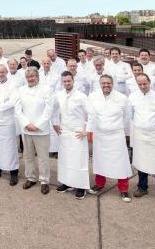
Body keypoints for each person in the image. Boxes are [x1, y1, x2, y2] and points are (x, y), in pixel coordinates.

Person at [87, 75, 133, 202]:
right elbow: (90, 115)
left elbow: (127, 117)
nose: (106, 85)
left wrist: (124, 133)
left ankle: (123, 189)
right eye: (103, 83)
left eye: (108, 83)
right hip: (100, 135)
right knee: (99, 161)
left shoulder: (122, 98)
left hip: (116, 135)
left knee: (121, 162)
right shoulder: (93, 97)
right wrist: (89, 132)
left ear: (112, 84)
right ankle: (99, 184)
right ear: (99, 84)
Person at [129, 73, 155, 206]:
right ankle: (142, 187)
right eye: (140, 84)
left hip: (154, 135)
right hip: (140, 135)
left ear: (149, 82)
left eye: (145, 83)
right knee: (142, 161)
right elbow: (131, 114)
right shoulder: (132, 97)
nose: (142, 86)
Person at [52, 71, 90, 199]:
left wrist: (87, 130)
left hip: (78, 133)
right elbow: (54, 110)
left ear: (73, 81)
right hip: (64, 132)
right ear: (62, 82)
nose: (67, 83)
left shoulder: (81, 96)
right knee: (66, 160)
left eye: (69, 81)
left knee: (78, 161)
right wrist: (55, 124)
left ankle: (81, 186)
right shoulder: (59, 95)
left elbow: (91, 114)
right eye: (64, 81)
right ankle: (67, 183)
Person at [15, 67, 53, 194]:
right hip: (26, 130)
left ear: (38, 77)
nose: (30, 79)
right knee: (28, 156)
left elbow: (49, 110)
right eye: (28, 77)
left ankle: (44, 181)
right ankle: (30, 178)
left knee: (43, 157)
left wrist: (37, 125)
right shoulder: (21, 90)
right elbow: (18, 109)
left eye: (32, 76)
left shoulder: (46, 89)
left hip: (41, 130)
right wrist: (26, 124)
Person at [0, 65, 20, 186]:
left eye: (2, 72)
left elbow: (13, 101)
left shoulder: (13, 84)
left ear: (6, 72)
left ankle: (13, 172)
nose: (0, 74)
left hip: (7, 120)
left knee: (9, 146)